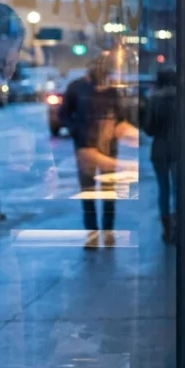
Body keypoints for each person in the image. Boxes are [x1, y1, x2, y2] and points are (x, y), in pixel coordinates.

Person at [59, 53, 140, 249]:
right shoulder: (77, 88)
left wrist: (117, 130)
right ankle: (93, 233)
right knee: (88, 193)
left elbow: (122, 116)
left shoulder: (111, 90)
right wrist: (76, 130)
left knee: (107, 193)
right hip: (86, 147)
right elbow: (63, 114)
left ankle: (107, 232)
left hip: (106, 147)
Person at [145, 69, 177, 242]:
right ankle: (179, 225)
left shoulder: (154, 100)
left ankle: (167, 230)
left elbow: (149, 129)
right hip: (179, 151)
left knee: (163, 191)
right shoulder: (183, 99)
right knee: (179, 191)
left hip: (159, 151)